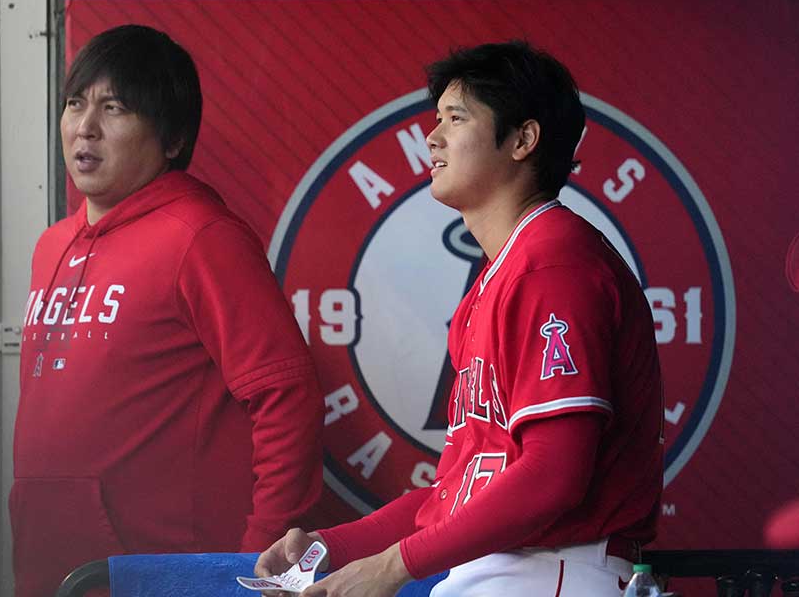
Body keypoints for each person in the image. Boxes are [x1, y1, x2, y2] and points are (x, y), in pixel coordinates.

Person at [256, 41, 664, 597]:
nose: (433, 136)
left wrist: (394, 565)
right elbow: (455, 490)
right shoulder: (501, 274)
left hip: (557, 569)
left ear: (523, 139)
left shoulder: (553, 262)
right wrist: (334, 547)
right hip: (511, 566)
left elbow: (554, 475)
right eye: (436, 119)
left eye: (456, 118)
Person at [11, 25, 323, 597]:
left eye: (115, 108)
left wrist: (257, 559)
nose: (85, 127)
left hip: (164, 575)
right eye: (76, 103)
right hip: (52, 569)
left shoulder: (202, 236)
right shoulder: (50, 245)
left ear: (173, 138)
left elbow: (289, 396)